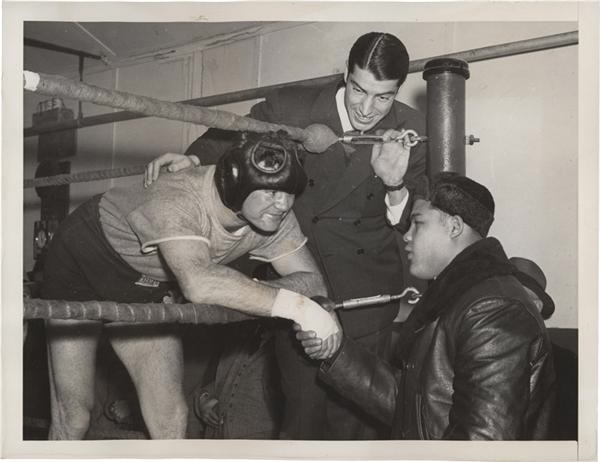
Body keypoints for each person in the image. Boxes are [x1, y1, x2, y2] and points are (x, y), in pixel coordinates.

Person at [144, 31, 427, 440]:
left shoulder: (412, 130)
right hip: (300, 282)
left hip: (367, 298)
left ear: (398, 91)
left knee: (360, 430)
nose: (367, 109)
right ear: (345, 75)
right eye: (358, 90)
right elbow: (236, 134)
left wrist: (395, 184)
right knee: (303, 421)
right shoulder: (292, 106)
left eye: (383, 98)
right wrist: (193, 159)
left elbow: (410, 223)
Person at [40, 131, 341, 440]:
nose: (283, 204)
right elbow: (199, 283)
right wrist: (298, 307)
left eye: (290, 192)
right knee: (73, 417)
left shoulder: (276, 215)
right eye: (272, 193)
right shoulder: (180, 197)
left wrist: (303, 305)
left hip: (145, 286)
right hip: (83, 260)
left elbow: (312, 280)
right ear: (238, 181)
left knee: (170, 418)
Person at [296, 172, 557, 439]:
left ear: (454, 227)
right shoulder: (462, 297)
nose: (406, 236)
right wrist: (336, 350)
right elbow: (416, 409)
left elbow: (483, 445)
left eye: (417, 224)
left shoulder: (493, 309)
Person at [191, 319, 283, 439]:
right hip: (217, 440)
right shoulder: (239, 337)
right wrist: (204, 401)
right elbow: (214, 381)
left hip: (258, 445)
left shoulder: (285, 349)